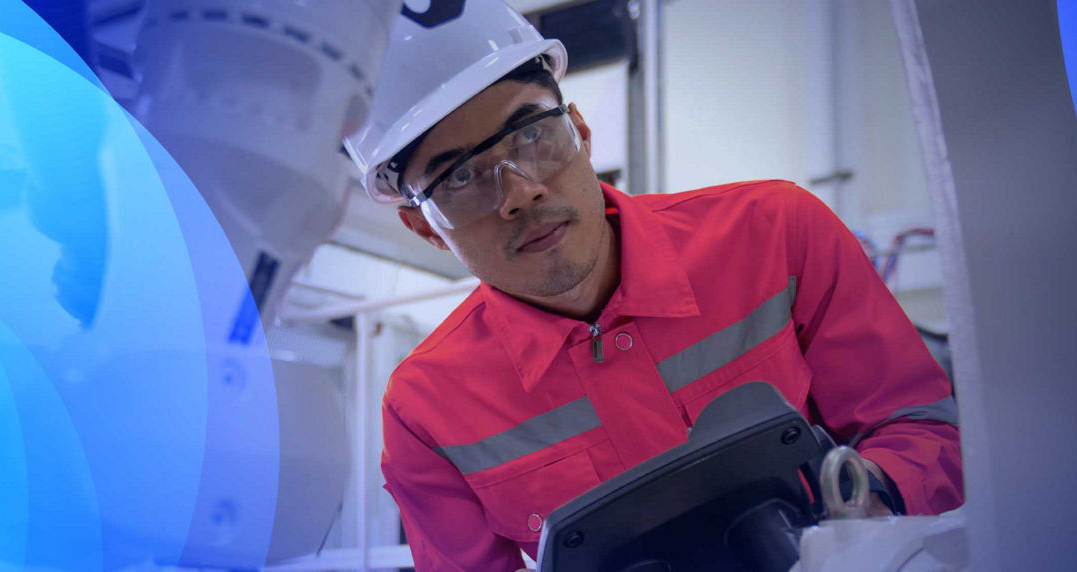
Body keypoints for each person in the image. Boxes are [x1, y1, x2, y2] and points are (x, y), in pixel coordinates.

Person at [345, 1, 963, 569]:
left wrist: (863, 509)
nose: (520, 192)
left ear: (581, 132)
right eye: (460, 178)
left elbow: (922, 427)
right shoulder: (426, 409)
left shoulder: (775, 236)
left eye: (532, 134)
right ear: (424, 229)